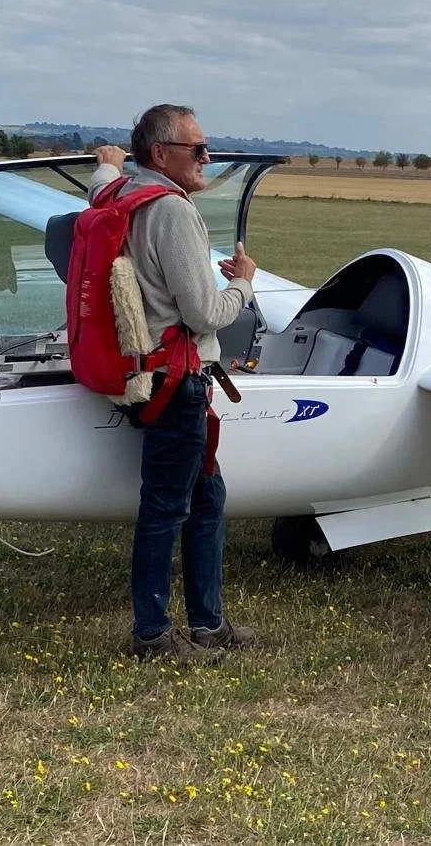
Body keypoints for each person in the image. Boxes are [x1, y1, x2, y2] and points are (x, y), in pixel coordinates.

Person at [88, 104, 259, 661]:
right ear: (161, 154)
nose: (207, 158)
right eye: (197, 149)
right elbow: (206, 314)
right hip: (178, 383)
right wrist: (245, 285)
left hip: (149, 378)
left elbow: (99, 189)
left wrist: (108, 164)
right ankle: (152, 635)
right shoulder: (173, 211)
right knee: (166, 508)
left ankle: (208, 623)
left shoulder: (121, 194)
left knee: (207, 498)